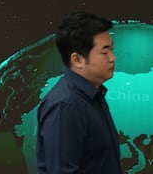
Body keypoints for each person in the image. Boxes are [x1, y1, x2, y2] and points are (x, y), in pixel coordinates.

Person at [36, 11, 122, 174]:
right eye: (105, 52)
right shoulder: (65, 105)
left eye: (112, 49)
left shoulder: (93, 95)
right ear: (77, 60)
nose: (112, 58)